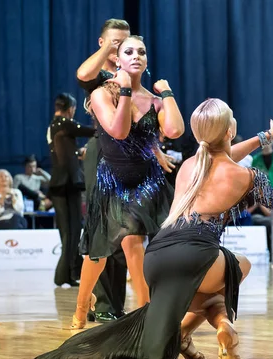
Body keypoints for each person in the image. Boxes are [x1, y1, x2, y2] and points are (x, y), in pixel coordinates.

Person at [34, 98, 273, 359]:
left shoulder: (190, 166)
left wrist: (265, 136)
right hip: (194, 257)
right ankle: (192, 330)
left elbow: (222, 153)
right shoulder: (247, 175)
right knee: (240, 266)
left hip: (156, 257)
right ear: (229, 131)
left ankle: (213, 327)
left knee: (202, 288)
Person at [72, 35, 185, 329]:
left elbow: (174, 131)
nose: (136, 56)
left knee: (134, 239)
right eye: (129, 51)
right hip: (113, 180)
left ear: (146, 62)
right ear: (117, 60)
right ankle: (82, 305)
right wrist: (123, 89)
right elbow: (119, 132)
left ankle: (147, 310)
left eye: (141, 52)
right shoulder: (101, 94)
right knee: (97, 253)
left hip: (147, 180)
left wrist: (168, 93)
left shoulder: (155, 101)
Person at [77, 19, 132, 323]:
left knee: (124, 232)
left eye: (123, 43)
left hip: (130, 155)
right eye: (114, 43)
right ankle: (102, 304)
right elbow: (83, 74)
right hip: (102, 153)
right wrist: (107, 53)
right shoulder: (97, 75)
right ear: (102, 43)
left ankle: (116, 305)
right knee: (101, 227)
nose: (119, 48)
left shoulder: (131, 73)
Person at [47, 93, 96, 286]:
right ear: (70, 108)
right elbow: (90, 131)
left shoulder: (53, 126)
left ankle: (69, 274)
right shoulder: (64, 123)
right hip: (68, 183)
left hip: (59, 183)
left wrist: (78, 152)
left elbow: (64, 150)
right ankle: (63, 275)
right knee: (72, 230)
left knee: (68, 230)